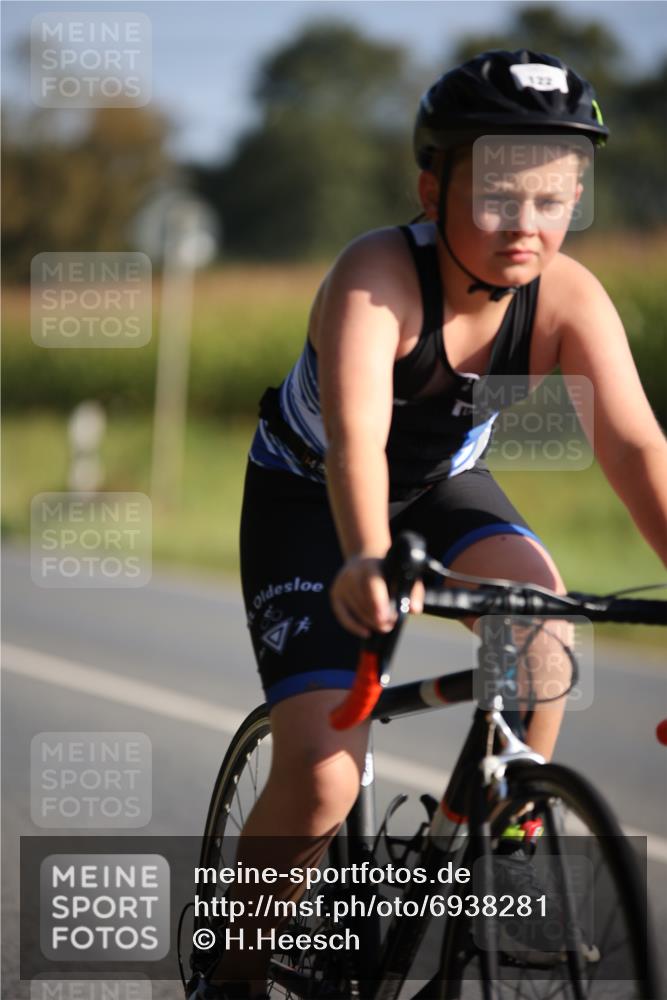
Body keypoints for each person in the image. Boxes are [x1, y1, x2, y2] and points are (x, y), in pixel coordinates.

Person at [188, 49, 667, 1000]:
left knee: (537, 640)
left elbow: (635, 448)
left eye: (552, 200)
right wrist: (367, 558)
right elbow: (359, 443)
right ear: (430, 186)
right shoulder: (376, 276)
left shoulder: (566, 296)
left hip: (444, 488)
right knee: (325, 782)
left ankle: (503, 825)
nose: (525, 228)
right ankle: (230, 974)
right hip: (312, 496)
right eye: (496, 200)